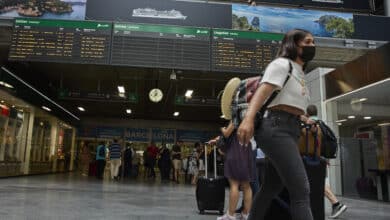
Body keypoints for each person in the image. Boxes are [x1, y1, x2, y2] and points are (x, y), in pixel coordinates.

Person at [237, 29, 316, 220]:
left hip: (290, 128)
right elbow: (261, 94)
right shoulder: (282, 65)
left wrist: (303, 118)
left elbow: (290, 103)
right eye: (307, 42)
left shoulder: (300, 72)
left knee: (271, 187)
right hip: (276, 128)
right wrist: (248, 119)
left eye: (313, 42)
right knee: (301, 190)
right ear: (294, 44)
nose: (312, 46)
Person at [306, 104, 347, 219]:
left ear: (307, 112)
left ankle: (336, 204)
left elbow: (312, 142)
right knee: (319, 182)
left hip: (314, 158)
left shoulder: (310, 123)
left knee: (320, 183)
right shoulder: (321, 122)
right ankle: (335, 205)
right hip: (322, 158)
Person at [215, 121, 254, 220]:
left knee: (234, 184)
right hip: (247, 152)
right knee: (246, 186)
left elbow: (227, 133)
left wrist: (222, 129)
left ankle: (231, 215)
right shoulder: (254, 115)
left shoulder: (237, 113)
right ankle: (246, 214)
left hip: (235, 151)